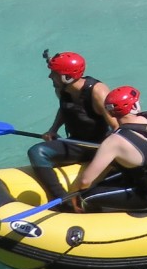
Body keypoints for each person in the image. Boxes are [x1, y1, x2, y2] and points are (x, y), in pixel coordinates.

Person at [65, 86, 147, 213]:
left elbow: (85, 180)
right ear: (134, 106)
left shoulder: (113, 142)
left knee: (85, 197)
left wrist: (75, 195)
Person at [28, 51, 115, 201]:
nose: (50, 76)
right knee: (36, 152)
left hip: (100, 146)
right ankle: (63, 199)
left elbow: (117, 126)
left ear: (66, 77)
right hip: (76, 143)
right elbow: (65, 108)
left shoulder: (98, 93)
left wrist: (112, 152)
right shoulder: (62, 89)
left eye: (53, 73)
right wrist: (53, 129)